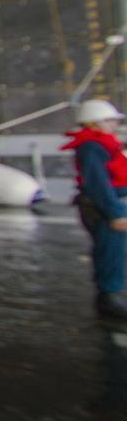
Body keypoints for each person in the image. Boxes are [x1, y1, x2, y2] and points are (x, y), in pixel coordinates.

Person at [63, 99, 127, 320]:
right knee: (111, 252)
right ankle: (109, 299)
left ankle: (113, 295)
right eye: (110, 120)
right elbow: (98, 184)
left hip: (110, 205)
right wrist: (115, 213)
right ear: (94, 123)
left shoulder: (102, 144)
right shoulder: (92, 147)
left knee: (116, 251)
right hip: (104, 208)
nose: (115, 124)